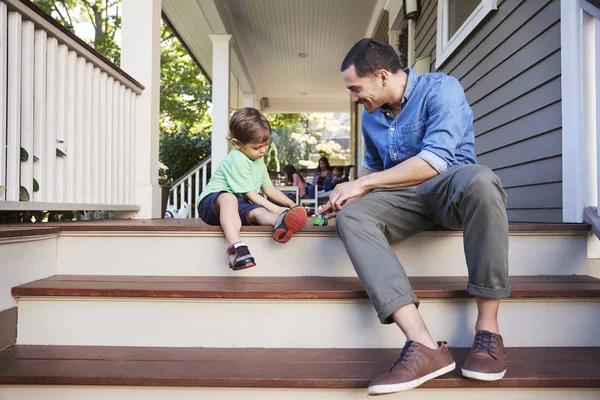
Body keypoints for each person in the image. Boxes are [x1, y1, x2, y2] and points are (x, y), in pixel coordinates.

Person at [318, 38, 509, 395]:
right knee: (353, 217)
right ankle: (422, 344)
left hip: (451, 188)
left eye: (357, 89)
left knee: (483, 180)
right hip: (402, 200)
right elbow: (373, 171)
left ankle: (488, 330)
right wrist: (349, 196)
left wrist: (364, 183)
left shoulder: (442, 89)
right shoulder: (371, 117)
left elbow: (435, 161)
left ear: (383, 76)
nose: (355, 98)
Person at [197, 108, 307, 271]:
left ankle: (280, 223)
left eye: (265, 145)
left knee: (258, 211)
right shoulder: (237, 159)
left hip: (238, 204)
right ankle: (236, 249)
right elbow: (253, 195)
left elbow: (269, 190)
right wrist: (279, 209)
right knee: (230, 198)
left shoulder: (258, 160)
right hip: (212, 203)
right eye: (257, 147)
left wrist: (292, 206)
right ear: (237, 144)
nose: (263, 150)